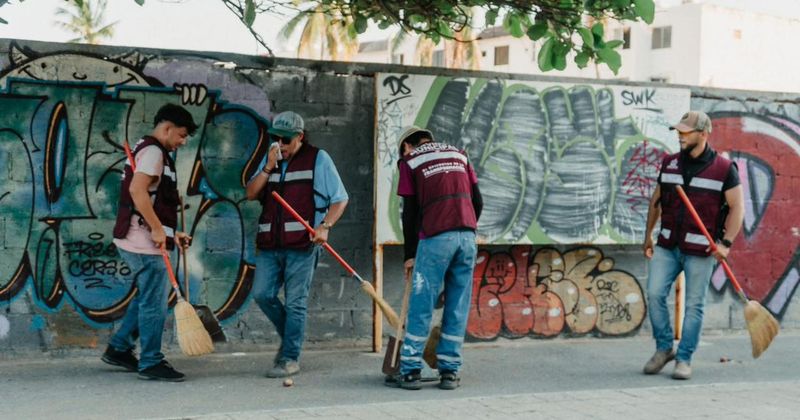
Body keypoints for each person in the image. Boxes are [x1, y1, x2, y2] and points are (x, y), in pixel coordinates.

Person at [245, 111, 348, 378]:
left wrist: (325, 226)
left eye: (286, 140)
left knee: (295, 304)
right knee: (262, 294)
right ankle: (292, 336)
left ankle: (290, 357)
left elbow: (340, 199)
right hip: (269, 244)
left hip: (303, 245)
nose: (280, 144)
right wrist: (268, 167)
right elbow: (251, 193)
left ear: (300, 137)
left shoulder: (318, 158)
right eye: (276, 138)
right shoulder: (271, 158)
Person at [642, 110, 744, 380]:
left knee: (694, 305)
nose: (680, 136)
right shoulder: (670, 163)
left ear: (703, 133)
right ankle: (664, 348)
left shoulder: (724, 169)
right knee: (654, 294)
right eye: (679, 131)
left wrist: (726, 244)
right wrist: (647, 235)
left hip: (701, 250)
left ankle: (684, 358)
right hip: (668, 244)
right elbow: (656, 201)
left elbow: (737, 208)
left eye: (686, 132)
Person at [103, 103, 197, 382]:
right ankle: (151, 362)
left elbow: (153, 200)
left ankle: (119, 348)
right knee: (154, 303)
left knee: (148, 296)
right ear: (167, 128)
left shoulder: (149, 149)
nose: (183, 142)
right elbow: (137, 191)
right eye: (181, 135)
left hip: (141, 237)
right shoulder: (154, 152)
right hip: (143, 243)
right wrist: (157, 230)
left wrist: (170, 233)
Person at [390, 126, 482, 390]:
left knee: (422, 302)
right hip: (467, 238)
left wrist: (410, 254)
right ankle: (449, 371)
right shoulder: (459, 155)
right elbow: (478, 202)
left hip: (436, 239)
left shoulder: (410, 160)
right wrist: (465, 229)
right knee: (457, 304)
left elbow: (409, 213)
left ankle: (410, 370)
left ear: (406, 146)